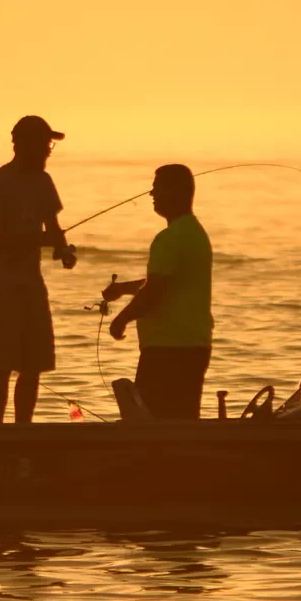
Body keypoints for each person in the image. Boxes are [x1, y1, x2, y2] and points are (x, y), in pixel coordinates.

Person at [0, 115, 78, 424]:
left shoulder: (43, 182)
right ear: (21, 144)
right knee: (0, 366)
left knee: (33, 365)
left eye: (50, 145)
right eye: (44, 144)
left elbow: (53, 227)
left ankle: (24, 429)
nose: (48, 151)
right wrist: (41, 239)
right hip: (0, 287)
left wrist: (63, 250)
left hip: (31, 285)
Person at [104, 165, 214, 420]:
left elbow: (154, 291)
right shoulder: (195, 233)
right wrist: (123, 289)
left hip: (168, 349)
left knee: (155, 424)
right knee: (182, 421)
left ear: (176, 192)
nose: (152, 193)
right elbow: (168, 281)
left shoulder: (169, 238)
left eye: (157, 188)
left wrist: (121, 320)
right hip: (192, 345)